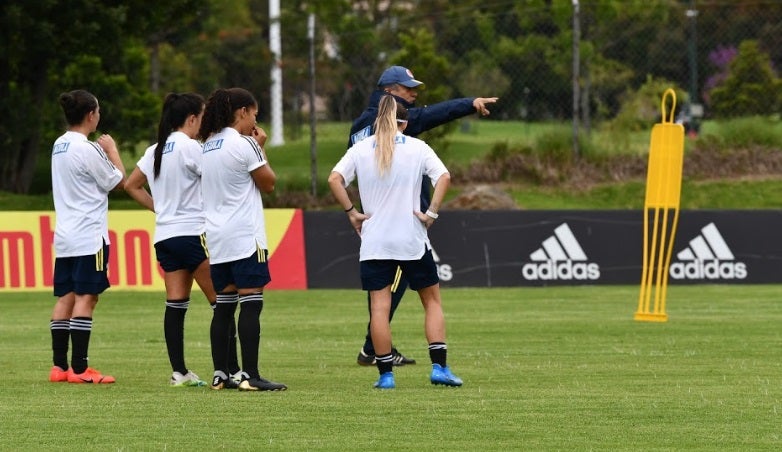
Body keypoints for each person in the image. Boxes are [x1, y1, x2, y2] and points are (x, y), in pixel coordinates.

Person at [348, 65, 498, 367]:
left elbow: (341, 176)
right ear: (389, 91)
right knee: (406, 290)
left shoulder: (359, 126)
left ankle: (373, 348)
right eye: (407, 88)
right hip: (404, 222)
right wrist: (469, 104)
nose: (413, 94)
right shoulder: (393, 121)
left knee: (381, 290)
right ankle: (375, 351)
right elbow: (432, 116)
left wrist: (354, 210)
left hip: (375, 220)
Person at [329, 95, 463, 389]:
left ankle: (386, 375)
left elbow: (334, 179)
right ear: (405, 122)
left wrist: (352, 213)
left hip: (375, 240)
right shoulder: (417, 147)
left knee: (379, 307)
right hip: (411, 237)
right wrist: (431, 213)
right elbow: (444, 177)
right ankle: (439, 367)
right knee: (431, 301)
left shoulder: (361, 148)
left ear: (378, 120)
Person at [125, 92, 243, 387]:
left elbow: (131, 184)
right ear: (192, 119)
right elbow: (216, 177)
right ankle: (230, 370)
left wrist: (161, 209)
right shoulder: (191, 148)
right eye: (202, 117)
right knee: (224, 301)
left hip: (166, 236)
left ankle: (180, 372)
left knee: (176, 304)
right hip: (194, 233)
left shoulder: (155, 149)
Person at [198, 87, 287, 392]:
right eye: (254, 115)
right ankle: (250, 374)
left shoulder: (207, 144)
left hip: (218, 236)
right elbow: (269, 183)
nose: (255, 122)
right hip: (245, 235)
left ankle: (221, 373)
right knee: (251, 303)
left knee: (224, 306)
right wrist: (259, 147)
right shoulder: (243, 143)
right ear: (243, 112)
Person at [48, 89, 126, 384]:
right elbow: (117, 181)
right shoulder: (88, 148)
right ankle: (80, 370)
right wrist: (112, 151)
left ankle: (59, 367)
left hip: (66, 235)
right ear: (91, 115)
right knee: (86, 298)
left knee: (65, 297)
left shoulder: (59, 145)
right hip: (88, 235)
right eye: (98, 111)